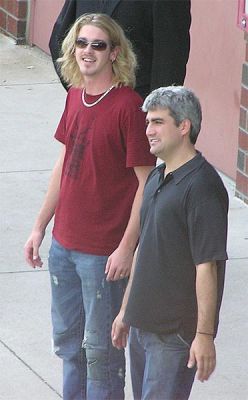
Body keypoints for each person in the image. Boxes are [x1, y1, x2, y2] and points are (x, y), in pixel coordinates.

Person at [24, 13, 155, 400]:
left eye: (98, 45)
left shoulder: (129, 107)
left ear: (115, 53)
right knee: (69, 348)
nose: (88, 51)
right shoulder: (74, 97)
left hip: (103, 255)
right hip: (64, 247)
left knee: (102, 356)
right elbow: (64, 165)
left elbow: (147, 185)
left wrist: (126, 248)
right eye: (82, 43)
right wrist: (39, 226)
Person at [112, 86, 229, 400]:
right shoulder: (157, 176)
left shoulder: (203, 187)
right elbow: (144, 248)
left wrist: (204, 335)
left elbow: (208, 266)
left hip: (173, 334)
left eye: (157, 122)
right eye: (148, 122)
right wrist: (126, 310)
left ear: (184, 126)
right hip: (141, 325)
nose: (148, 130)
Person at [49, 0, 191, 98]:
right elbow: (59, 40)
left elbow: (170, 60)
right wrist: (80, 93)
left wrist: (156, 115)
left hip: (137, 109)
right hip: (88, 107)